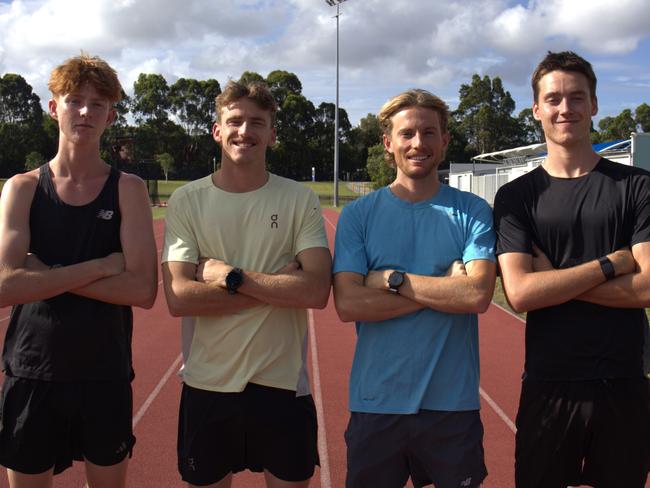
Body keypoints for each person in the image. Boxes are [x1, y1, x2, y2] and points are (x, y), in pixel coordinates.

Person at [161, 80, 332, 488]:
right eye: (234, 120)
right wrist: (277, 289)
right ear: (217, 131)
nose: (245, 131)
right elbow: (179, 297)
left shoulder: (298, 199)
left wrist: (228, 277)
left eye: (257, 122)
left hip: (283, 383)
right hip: (207, 382)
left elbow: (315, 291)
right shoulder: (187, 200)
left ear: (272, 134)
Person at [493, 51, 650, 488]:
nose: (566, 108)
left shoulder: (637, 187)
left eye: (577, 97)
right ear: (536, 110)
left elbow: (648, 289)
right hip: (549, 383)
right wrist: (610, 264)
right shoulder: (516, 197)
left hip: (624, 381)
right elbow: (521, 295)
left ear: (594, 105)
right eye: (554, 99)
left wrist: (555, 279)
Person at [0, 54, 158, 488]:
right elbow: (6, 285)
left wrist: (44, 274)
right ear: (54, 108)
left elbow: (143, 290)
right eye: (74, 100)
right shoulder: (22, 188)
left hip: (103, 371)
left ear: (111, 114)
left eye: (98, 103)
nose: (85, 111)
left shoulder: (128, 189)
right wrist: (103, 267)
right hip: (32, 369)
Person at [332, 89, 496, 488]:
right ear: (388, 143)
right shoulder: (358, 215)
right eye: (407, 134)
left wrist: (393, 281)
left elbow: (476, 296)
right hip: (376, 404)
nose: (418, 143)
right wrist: (446, 289)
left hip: (451, 407)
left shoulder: (472, 210)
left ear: (445, 140)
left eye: (429, 132)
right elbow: (349, 303)